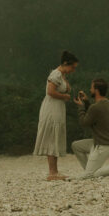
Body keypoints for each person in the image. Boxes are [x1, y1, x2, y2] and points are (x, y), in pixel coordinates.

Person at [33, 50, 78, 181]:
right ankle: (52, 172)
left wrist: (66, 86)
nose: (73, 70)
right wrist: (64, 96)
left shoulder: (61, 75)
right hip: (52, 108)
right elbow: (50, 91)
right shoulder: (56, 74)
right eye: (72, 67)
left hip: (57, 107)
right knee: (52, 136)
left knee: (55, 136)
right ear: (65, 64)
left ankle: (55, 171)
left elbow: (65, 88)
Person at [71, 77, 109, 180]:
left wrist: (81, 107)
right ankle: (89, 172)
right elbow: (94, 114)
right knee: (76, 146)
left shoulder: (96, 107)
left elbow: (84, 122)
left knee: (90, 176)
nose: (90, 90)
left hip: (103, 146)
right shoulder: (107, 103)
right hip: (99, 143)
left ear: (96, 90)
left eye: (91, 88)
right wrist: (86, 102)